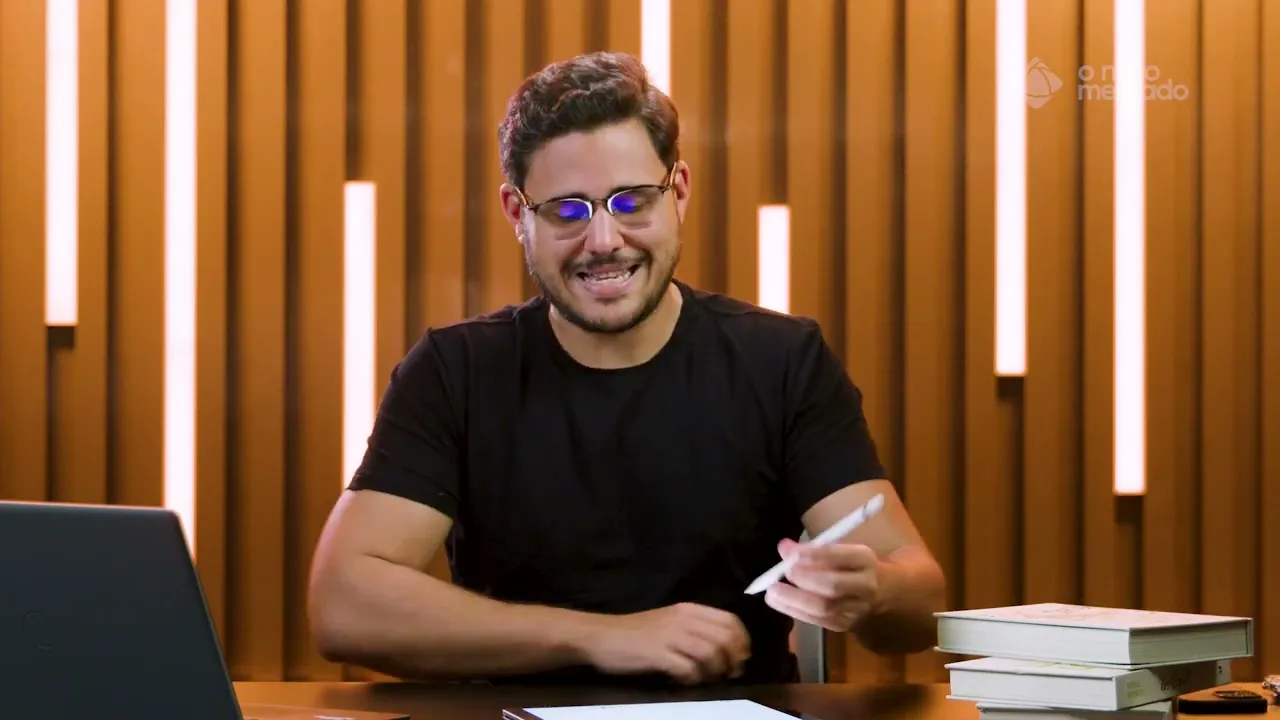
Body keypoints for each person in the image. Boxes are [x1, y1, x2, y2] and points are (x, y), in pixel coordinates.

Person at [307, 50, 946, 688]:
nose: (604, 240)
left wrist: (876, 592)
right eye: (567, 211)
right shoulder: (456, 372)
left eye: (633, 201)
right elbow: (342, 607)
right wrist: (602, 637)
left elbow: (920, 609)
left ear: (679, 192)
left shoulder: (782, 361)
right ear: (517, 214)